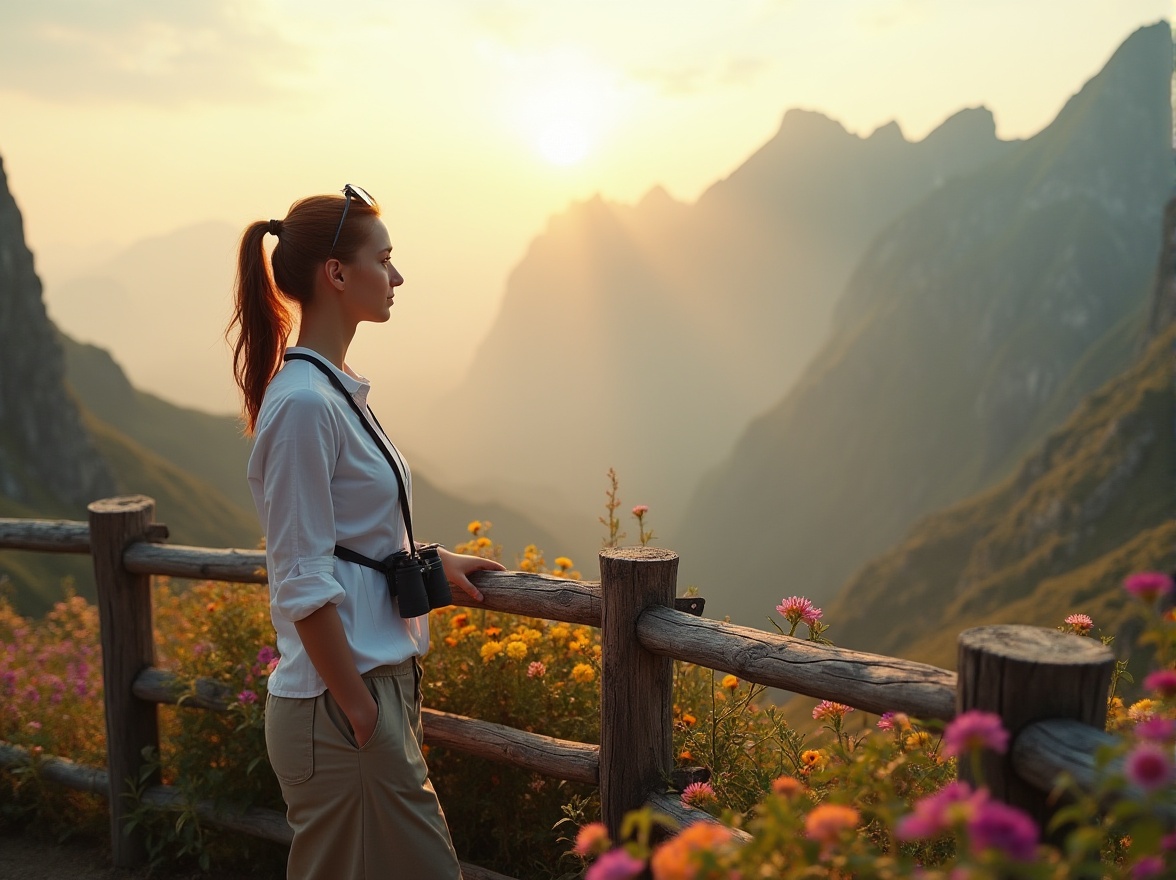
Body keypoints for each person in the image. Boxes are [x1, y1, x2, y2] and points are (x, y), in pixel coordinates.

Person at [227, 185, 504, 879]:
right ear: (337, 274)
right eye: (385, 259)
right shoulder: (303, 406)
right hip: (341, 703)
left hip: (371, 693)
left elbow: (349, 536)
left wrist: (432, 562)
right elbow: (301, 576)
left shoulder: (332, 390)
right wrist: (358, 708)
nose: (398, 276)